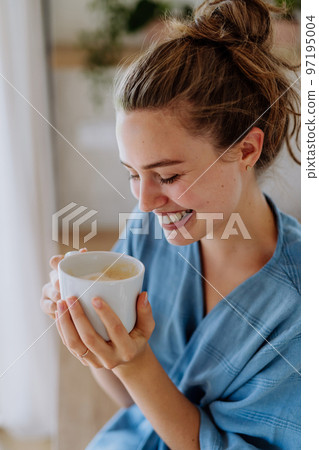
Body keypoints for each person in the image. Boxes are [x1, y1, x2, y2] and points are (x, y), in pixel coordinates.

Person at [41, 0, 301, 448]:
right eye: (132, 173)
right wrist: (97, 342)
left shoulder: (297, 306)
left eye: (169, 175)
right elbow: (133, 405)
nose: (143, 200)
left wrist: (136, 363)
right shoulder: (147, 233)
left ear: (245, 150)